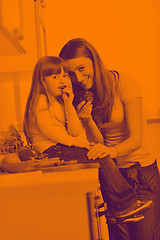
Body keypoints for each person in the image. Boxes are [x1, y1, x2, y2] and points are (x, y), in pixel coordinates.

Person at [23, 55, 152, 229]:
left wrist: (68, 104)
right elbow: (51, 132)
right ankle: (125, 204)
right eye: (54, 77)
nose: (62, 80)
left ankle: (117, 208)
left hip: (62, 147)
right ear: (42, 81)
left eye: (64, 76)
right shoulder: (41, 101)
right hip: (50, 150)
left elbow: (75, 131)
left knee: (104, 156)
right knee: (100, 156)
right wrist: (79, 144)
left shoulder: (60, 102)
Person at [59, 38, 160, 240]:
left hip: (140, 173)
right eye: (71, 73)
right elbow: (101, 143)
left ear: (94, 60)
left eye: (81, 68)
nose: (78, 78)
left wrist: (111, 151)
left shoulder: (124, 83)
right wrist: (87, 121)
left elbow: (136, 139)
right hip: (114, 178)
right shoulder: (84, 95)